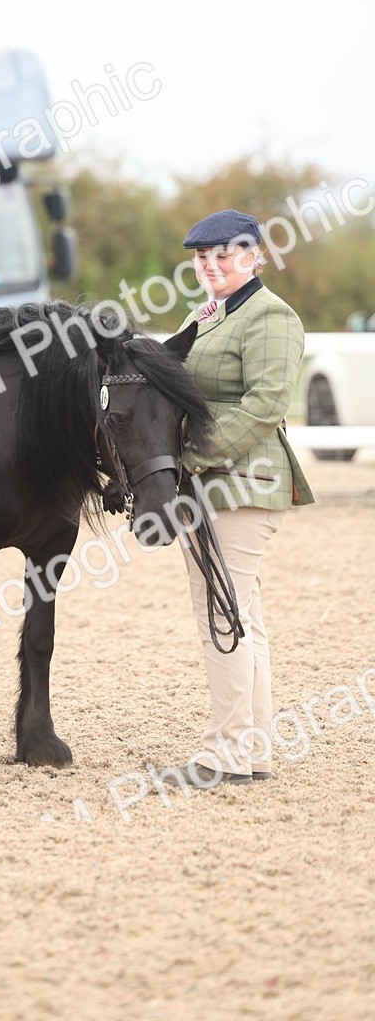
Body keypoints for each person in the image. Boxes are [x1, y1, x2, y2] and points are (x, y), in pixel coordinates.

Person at [162, 209, 314, 790]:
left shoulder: (271, 316)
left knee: (220, 617)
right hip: (211, 486)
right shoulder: (207, 316)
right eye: (202, 257)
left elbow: (265, 404)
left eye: (223, 254)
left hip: (244, 484)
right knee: (241, 615)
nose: (210, 264)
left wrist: (189, 457)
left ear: (254, 256)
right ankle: (251, 750)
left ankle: (225, 754)